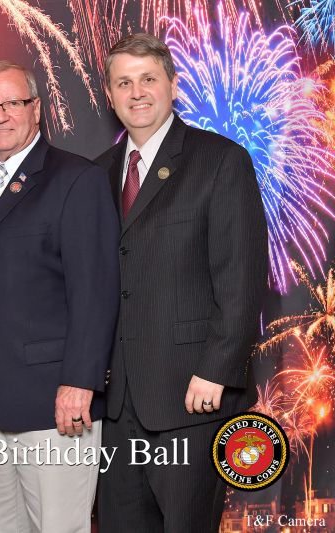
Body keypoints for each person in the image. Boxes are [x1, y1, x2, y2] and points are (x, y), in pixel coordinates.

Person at [95, 33, 268, 533]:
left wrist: (217, 369)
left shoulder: (221, 161)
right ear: (109, 95)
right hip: (117, 406)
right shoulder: (99, 174)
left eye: (148, 78)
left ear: (173, 84)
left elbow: (241, 278)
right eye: (123, 82)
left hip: (193, 397)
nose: (137, 92)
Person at [0, 60, 120, 533]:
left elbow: (96, 290)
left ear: (37, 110)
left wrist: (80, 383)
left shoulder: (76, 180)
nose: (0, 115)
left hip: (56, 402)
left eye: (13, 103)